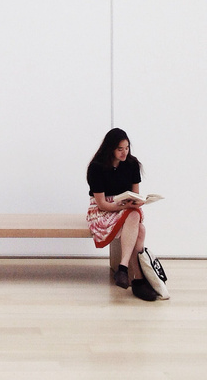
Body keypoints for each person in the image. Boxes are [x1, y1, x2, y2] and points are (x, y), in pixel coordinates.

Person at [86, 128, 157, 301]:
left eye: (126, 148)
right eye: (120, 149)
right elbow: (101, 203)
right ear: (110, 148)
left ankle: (124, 269)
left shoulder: (132, 164)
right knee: (139, 230)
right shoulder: (96, 167)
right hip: (103, 210)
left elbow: (136, 194)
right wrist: (121, 206)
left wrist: (138, 202)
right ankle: (138, 279)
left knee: (134, 217)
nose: (124, 152)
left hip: (127, 208)